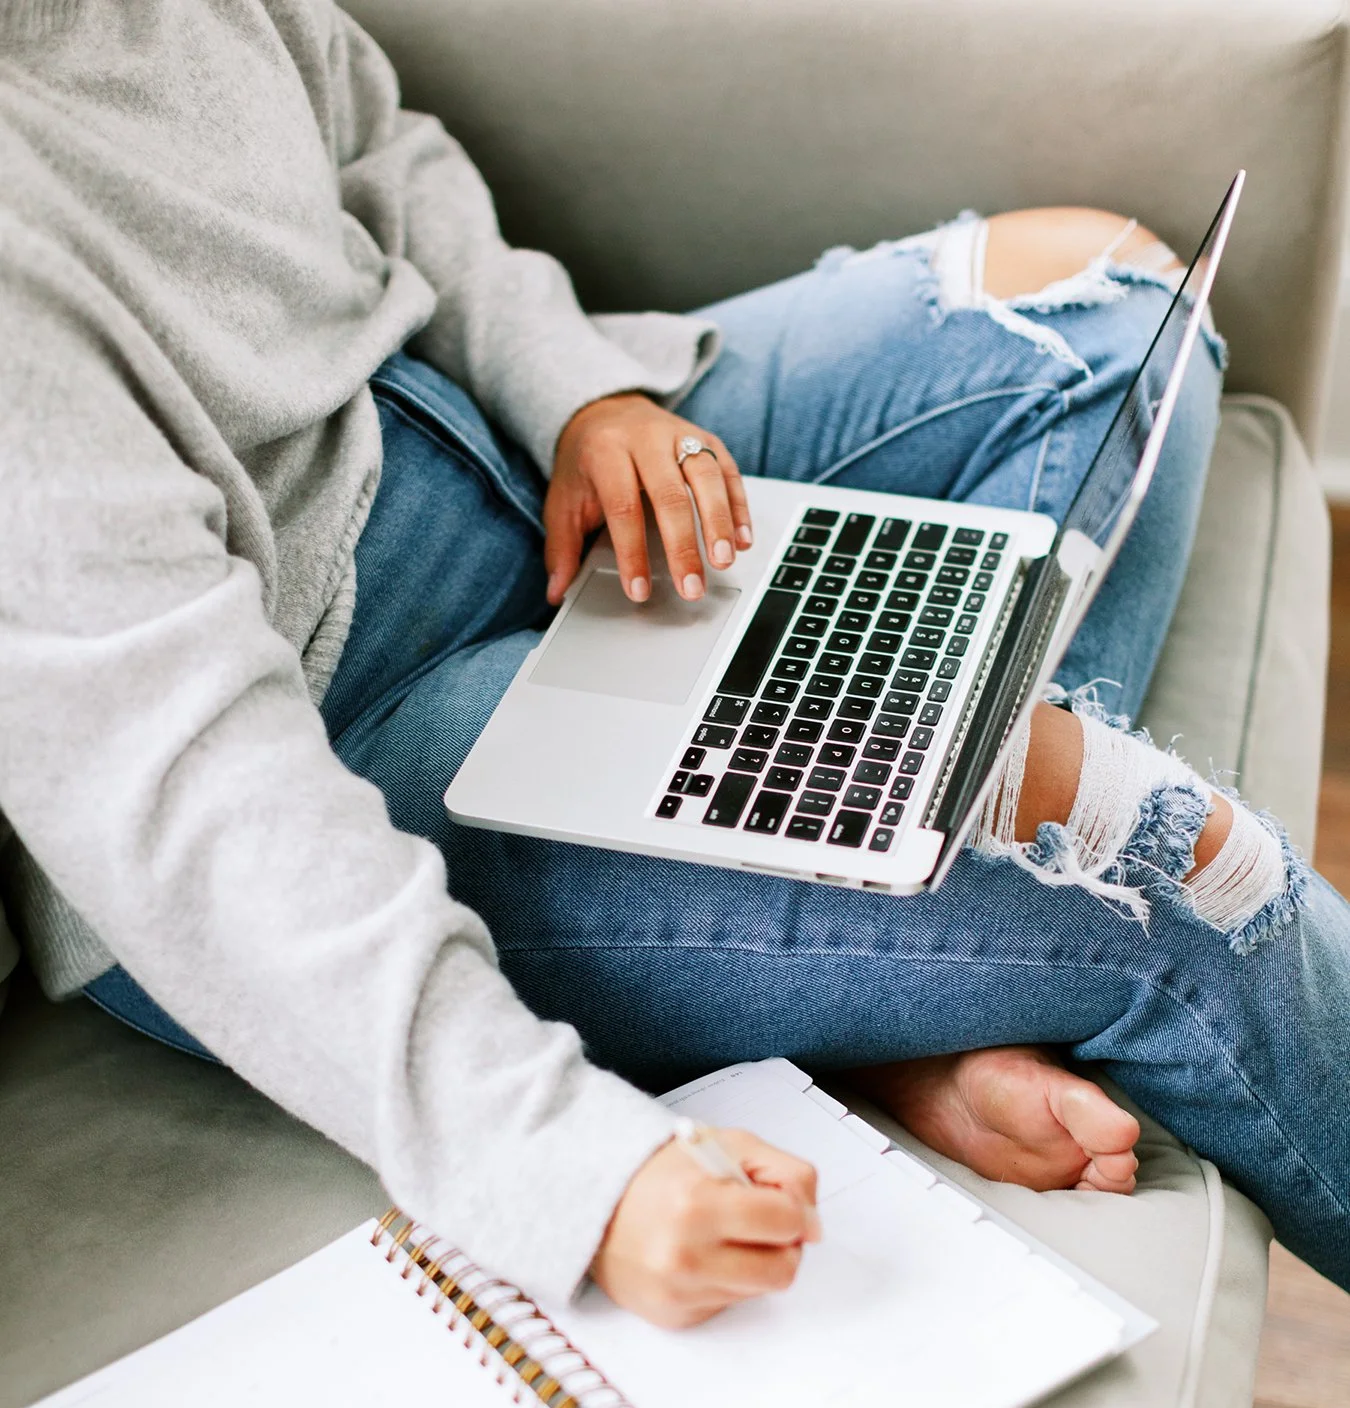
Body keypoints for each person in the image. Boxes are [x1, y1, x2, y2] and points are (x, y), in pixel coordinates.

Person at [1, 0, 1346, 1331]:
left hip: (513, 471)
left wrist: (580, 393)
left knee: (1104, 303)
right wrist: (563, 1171)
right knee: (1172, 864)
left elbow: (369, 146)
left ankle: (906, 969)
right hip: (336, 738)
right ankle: (929, 949)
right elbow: (189, 809)